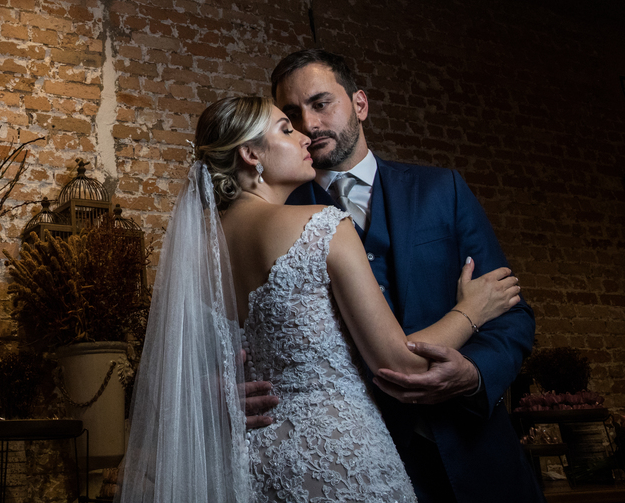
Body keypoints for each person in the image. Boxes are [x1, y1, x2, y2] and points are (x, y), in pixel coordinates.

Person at [116, 95, 521, 503]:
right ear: (251, 154)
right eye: (286, 128)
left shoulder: (197, 256)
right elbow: (401, 365)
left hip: (252, 468)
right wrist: (472, 310)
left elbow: (184, 373)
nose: (304, 136)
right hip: (339, 464)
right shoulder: (321, 227)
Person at [261, 48, 544, 503]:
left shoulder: (443, 190)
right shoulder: (274, 216)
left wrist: (473, 373)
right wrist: (228, 389)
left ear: (360, 104)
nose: (309, 125)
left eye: (321, 103)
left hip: (475, 449)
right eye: (292, 115)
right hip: (354, 464)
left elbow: (509, 310)